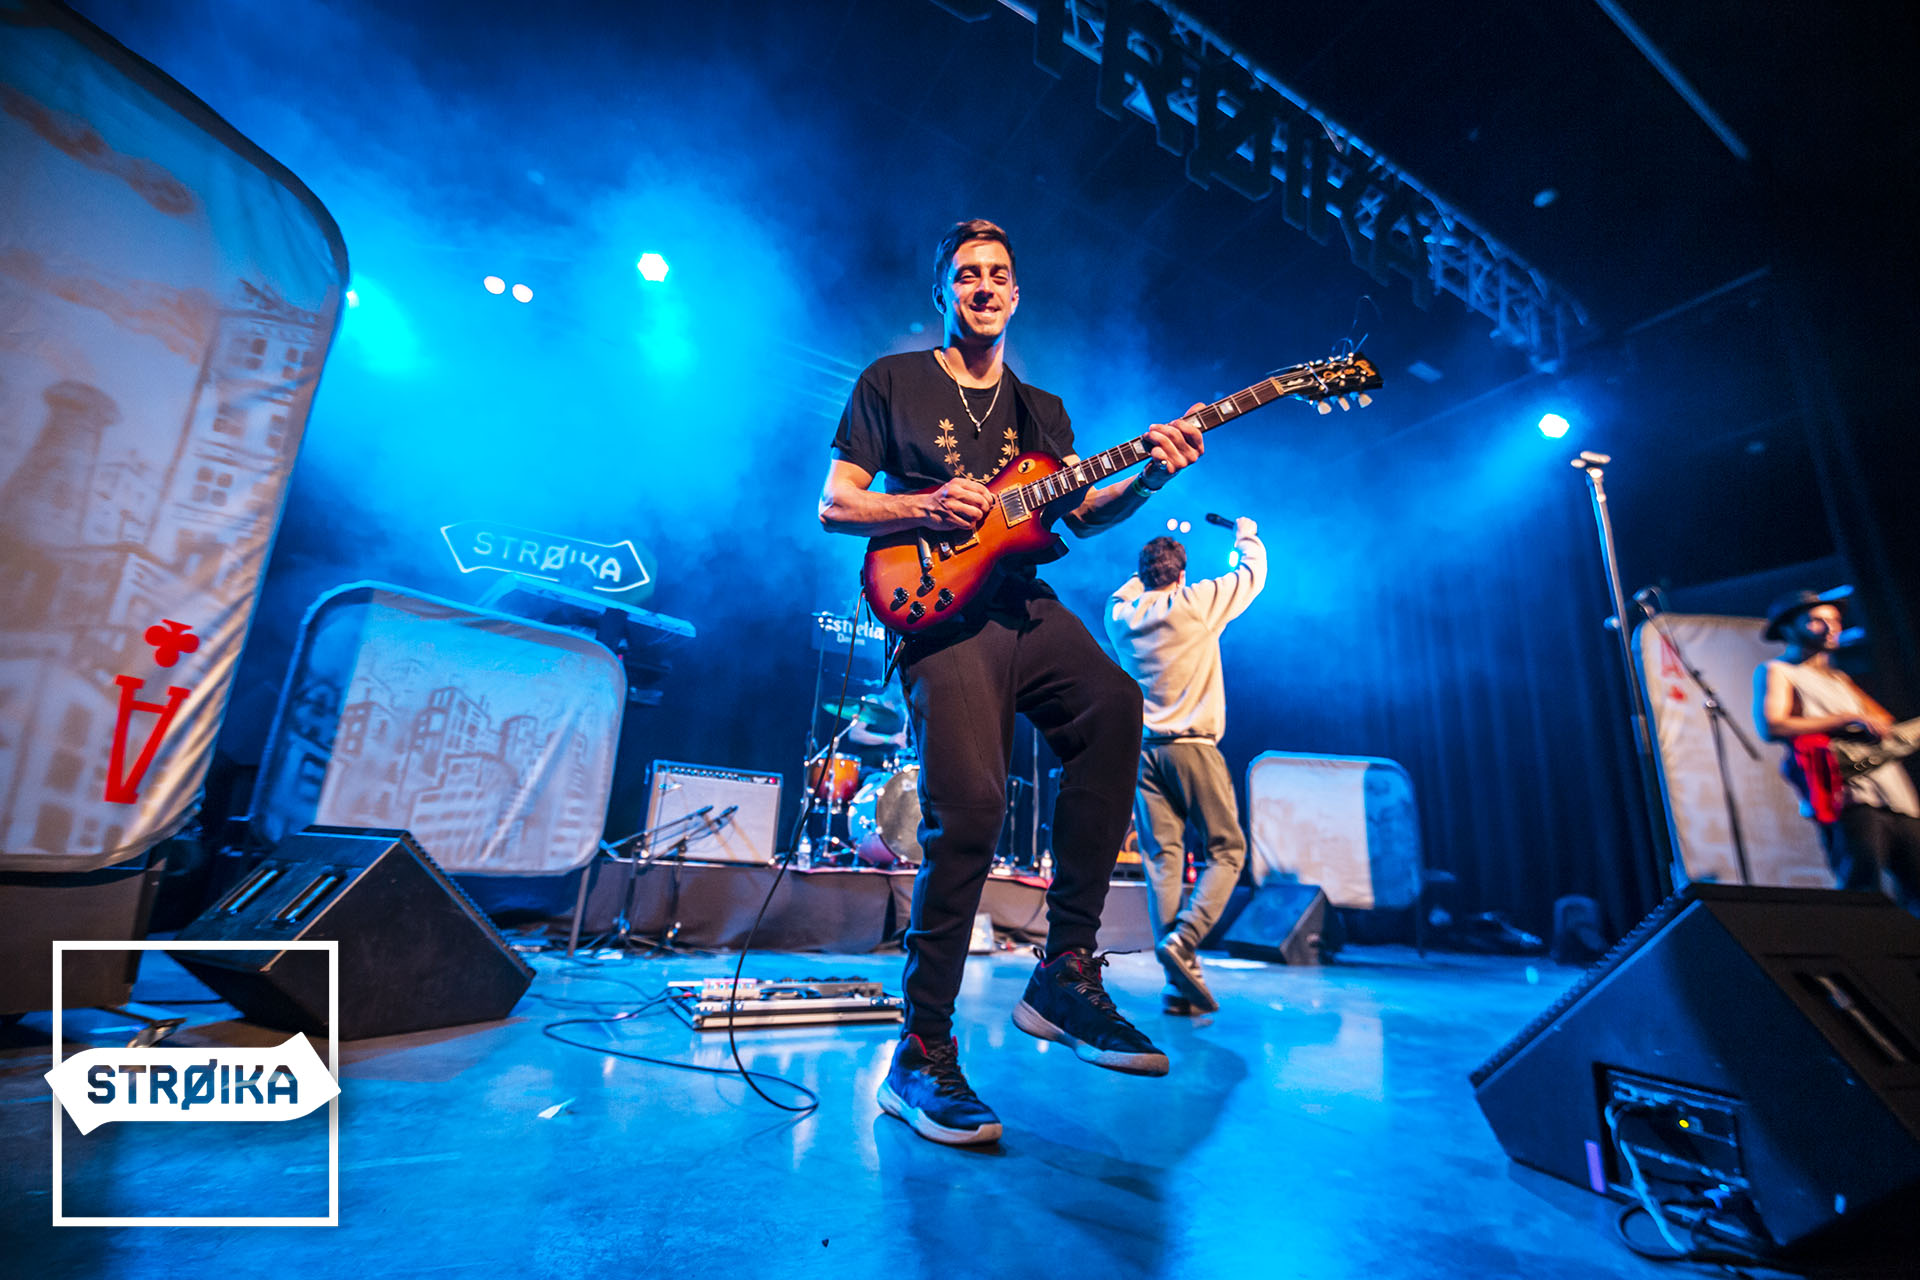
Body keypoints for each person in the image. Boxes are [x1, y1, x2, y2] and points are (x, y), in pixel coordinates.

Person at [819, 218, 1205, 1146]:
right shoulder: (892, 381)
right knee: (972, 812)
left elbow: (1079, 514)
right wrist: (924, 504)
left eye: (997, 274)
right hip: (941, 609)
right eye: (967, 275)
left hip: (1023, 602)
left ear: (1016, 294)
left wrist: (1149, 478)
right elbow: (836, 503)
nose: (983, 287)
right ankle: (920, 1051)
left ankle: (1065, 971)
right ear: (944, 292)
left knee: (1114, 707)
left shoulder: (1042, 413)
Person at [1105, 520, 1266, 1015]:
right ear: (1181, 574)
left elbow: (1124, 592)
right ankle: (1186, 937)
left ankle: (1178, 985)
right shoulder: (1196, 602)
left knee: (1163, 862)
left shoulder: (1122, 616)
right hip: (1193, 747)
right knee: (1228, 850)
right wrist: (1246, 534)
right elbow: (1252, 575)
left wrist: (1144, 577)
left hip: (1143, 754)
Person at [1753, 588, 1920, 910]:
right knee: (1863, 890)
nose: (1831, 627)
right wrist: (1845, 718)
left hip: (1894, 794)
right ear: (1789, 628)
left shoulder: (1839, 678)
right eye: (1817, 621)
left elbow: (1885, 723)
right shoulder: (1778, 670)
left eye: (1835, 620)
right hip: (1848, 795)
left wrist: (1871, 723)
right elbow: (1772, 725)